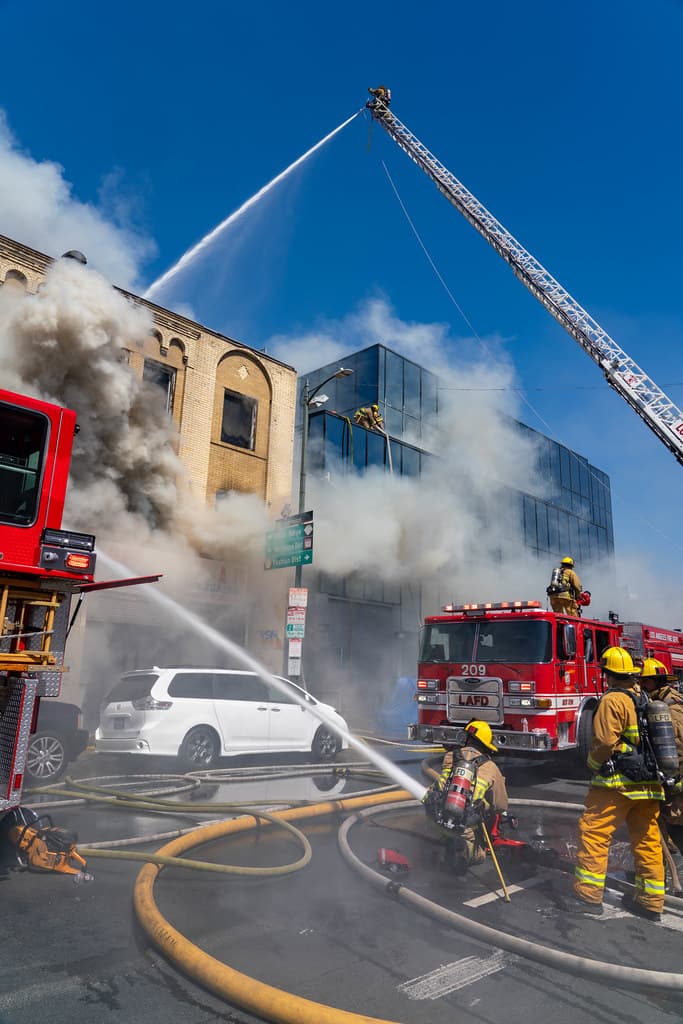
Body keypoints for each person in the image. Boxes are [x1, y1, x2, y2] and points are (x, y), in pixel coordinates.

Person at [567, 646, 666, 920]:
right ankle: (650, 902)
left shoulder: (613, 701)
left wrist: (591, 765)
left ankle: (588, 896)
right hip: (649, 784)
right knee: (647, 841)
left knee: (594, 834)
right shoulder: (644, 697)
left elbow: (604, 742)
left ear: (607, 674)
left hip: (617, 784)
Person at [424, 719, 508, 871]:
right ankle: (463, 851)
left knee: (444, 832)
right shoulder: (491, 767)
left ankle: (443, 841)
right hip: (462, 827)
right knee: (479, 855)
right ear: (486, 745)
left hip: (434, 818)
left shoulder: (450, 756)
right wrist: (484, 806)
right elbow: (501, 806)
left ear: (467, 738)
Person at [638, 657, 683, 887]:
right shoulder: (669, 701)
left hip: (675, 782)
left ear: (654, 682)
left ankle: (672, 882)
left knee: (673, 829)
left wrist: (673, 782)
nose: (641, 686)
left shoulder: (667, 710)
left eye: (644, 682)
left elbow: (676, 748)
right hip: (673, 780)